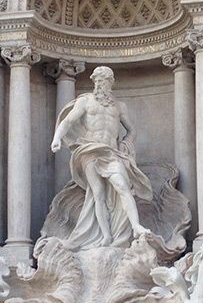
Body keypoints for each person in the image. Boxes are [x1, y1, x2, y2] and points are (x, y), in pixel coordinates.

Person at [50, 66, 152, 248]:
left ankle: (136, 226)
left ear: (110, 82)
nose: (99, 84)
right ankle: (106, 236)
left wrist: (126, 142)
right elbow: (68, 121)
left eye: (103, 80)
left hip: (111, 152)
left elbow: (132, 130)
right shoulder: (86, 102)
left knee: (122, 186)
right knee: (98, 194)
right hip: (90, 150)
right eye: (96, 80)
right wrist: (57, 138)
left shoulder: (119, 106)